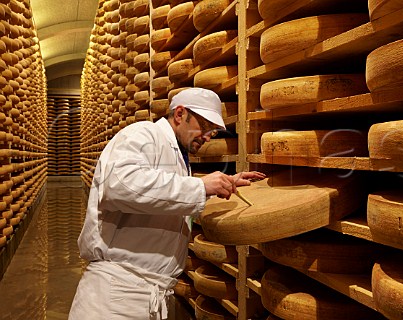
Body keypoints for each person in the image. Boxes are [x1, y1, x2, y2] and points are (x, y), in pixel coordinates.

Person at [68, 88, 266, 319]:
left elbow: (161, 198)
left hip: (145, 293)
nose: (209, 136)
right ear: (180, 114)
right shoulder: (142, 135)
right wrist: (200, 187)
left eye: (213, 131)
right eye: (205, 127)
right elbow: (120, 186)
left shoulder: (177, 154)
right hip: (117, 296)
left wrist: (224, 184)